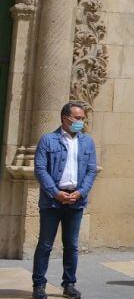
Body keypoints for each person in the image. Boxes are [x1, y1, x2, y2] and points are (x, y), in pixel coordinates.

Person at [32, 102, 98, 299]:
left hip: (76, 200)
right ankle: (39, 285)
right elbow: (40, 169)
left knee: (71, 245)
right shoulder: (48, 140)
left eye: (82, 118)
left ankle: (69, 283)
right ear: (65, 118)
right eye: (77, 118)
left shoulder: (87, 142)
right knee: (45, 244)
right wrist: (55, 192)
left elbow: (91, 170)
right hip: (53, 200)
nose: (81, 122)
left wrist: (81, 192)